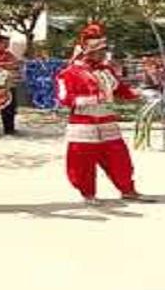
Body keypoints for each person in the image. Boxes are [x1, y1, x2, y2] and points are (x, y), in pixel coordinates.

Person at [56, 22, 153, 205]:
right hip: (83, 125)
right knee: (82, 162)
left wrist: (141, 93)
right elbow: (64, 98)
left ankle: (127, 189)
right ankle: (88, 194)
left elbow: (120, 90)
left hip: (108, 122)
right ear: (88, 51)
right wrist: (91, 100)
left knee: (119, 159)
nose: (104, 54)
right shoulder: (70, 73)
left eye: (104, 50)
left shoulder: (106, 71)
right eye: (100, 51)